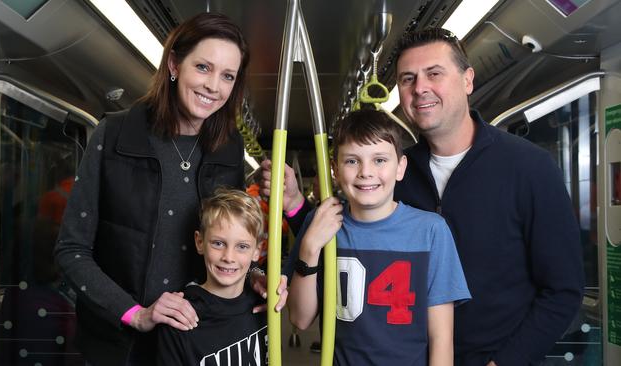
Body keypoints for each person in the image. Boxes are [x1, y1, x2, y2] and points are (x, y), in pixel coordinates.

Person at [268, 28, 584, 366]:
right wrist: (294, 206)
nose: (420, 88)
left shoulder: (529, 167)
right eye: (407, 79)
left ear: (467, 80)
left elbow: (562, 292)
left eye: (434, 73)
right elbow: (345, 237)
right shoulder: (390, 174)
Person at [55, 13, 285, 366]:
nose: (213, 86)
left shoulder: (228, 147)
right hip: (120, 347)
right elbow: (71, 251)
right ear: (175, 64)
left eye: (227, 76)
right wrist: (136, 314)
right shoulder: (114, 135)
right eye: (203, 68)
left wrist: (254, 275)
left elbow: (231, 234)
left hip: (195, 340)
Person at [287, 109, 471, 365]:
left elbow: (441, 338)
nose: (366, 172)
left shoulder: (431, 231)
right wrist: (309, 248)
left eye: (380, 160)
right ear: (335, 170)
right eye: (352, 161)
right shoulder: (322, 224)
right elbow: (300, 319)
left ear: (400, 167)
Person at [157, 188, 278, 365]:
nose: (228, 257)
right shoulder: (180, 319)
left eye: (242, 246)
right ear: (200, 242)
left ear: (257, 251)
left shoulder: (263, 304)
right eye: (218, 243)